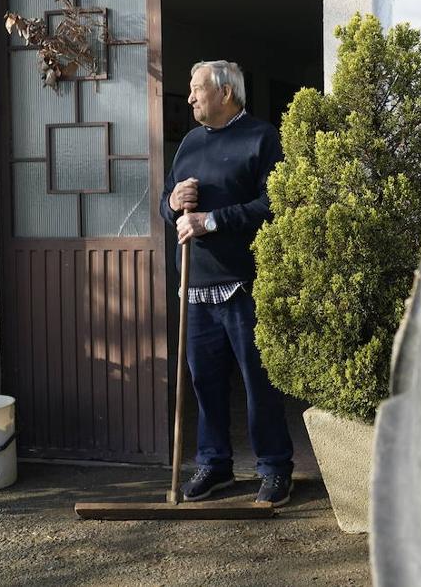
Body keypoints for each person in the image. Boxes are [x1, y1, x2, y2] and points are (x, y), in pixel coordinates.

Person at [160, 59, 294, 507]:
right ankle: (214, 465)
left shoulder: (261, 138)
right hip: (195, 283)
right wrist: (173, 201)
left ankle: (274, 468)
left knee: (258, 383)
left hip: (245, 283)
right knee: (205, 383)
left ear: (225, 93)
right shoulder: (190, 142)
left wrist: (212, 220)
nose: (190, 97)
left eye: (197, 89)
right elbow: (166, 206)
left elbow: (275, 203)